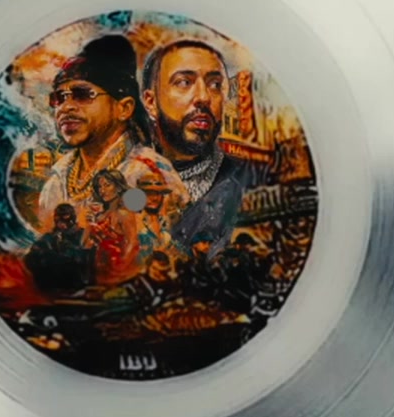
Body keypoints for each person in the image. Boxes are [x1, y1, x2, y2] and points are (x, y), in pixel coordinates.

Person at [34, 34, 188, 236]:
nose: (66, 107)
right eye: (59, 98)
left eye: (82, 94)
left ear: (123, 108)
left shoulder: (149, 173)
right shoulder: (58, 178)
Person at [140, 39, 266, 255]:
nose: (204, 97)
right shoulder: (126, 177)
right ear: (151, 102)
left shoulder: (249, 180)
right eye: (184, 82)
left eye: (215, 85)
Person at [85, 169, 144, 286]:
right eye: (99, 187)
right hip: (100, 268)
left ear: (118, 187)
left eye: (107, 185)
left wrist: (120, 268)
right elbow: (87, 244)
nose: (102, 190)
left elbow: (132, 242)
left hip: (118, 271)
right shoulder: (101, 215)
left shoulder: (124, 213)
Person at [24, 203, 92, 295]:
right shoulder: (52, 236)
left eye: (64, 218)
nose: (61, 223)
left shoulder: (82, 234)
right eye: (58, 219)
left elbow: (83, 256)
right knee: (34, 257)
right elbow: (36, 250)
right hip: (54, 276)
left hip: (73, 275)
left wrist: (66, 249)